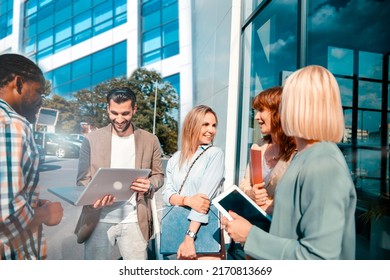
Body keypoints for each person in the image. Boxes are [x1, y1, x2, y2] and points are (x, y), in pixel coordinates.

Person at [222, 65, 357, 260]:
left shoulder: (324, 165)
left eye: (285, 101)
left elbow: (319, 259)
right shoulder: (308, 156)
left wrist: (251, 236)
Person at [76, 87, 164, 260]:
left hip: (134, 220)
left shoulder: (150, 140)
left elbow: (158, 175)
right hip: (98, 220)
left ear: (135, 109)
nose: (119, 119)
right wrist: (93, 196)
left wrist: (150, 184)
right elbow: (82, 180)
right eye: (114, 113)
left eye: (125, 113)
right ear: (108, 108)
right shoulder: (90, 140)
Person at [0, 53, 63, 260]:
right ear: (18, 84)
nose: (40, 102)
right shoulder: (12, 125)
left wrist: (28, 202)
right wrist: (46, 214)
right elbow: (6, 215)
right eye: (39, 92)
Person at [162, 105, 225, 259]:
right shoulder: (175, 159)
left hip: (203, 234)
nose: (212, 130)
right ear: (192, 125)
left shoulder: (214, 154)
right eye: (206, 124)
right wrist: (187, 200)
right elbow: (166, 195)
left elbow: (203, 201)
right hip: (175, 233)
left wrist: (189, 238)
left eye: (214, 125)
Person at [239, 86, 296, 214]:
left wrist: (271, 206)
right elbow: (245, 183)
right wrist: (251, 194)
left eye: (261, 110)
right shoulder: (258, 146)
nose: (256, 117)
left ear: (278, 112)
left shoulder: (297, 152)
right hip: (255, 221)